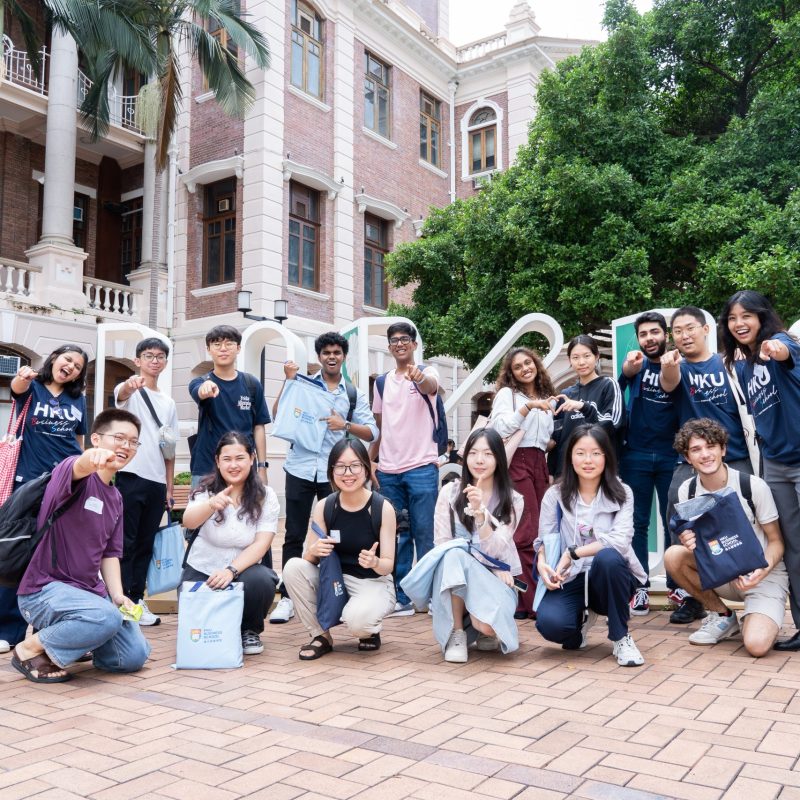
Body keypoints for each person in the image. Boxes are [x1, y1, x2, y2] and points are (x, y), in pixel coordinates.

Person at [11, 409, 151, 683]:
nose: (126, 446)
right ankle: (28, 649)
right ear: (96, 439)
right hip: (43, 590)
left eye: (133, 441)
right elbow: (80, 465)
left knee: (133, 656)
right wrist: (91, 458)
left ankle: (73, 641)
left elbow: (110, 553)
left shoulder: (116, 498)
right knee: (105, 617)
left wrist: (119, 595)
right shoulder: (71, 472)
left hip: (88, 594)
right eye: (119, 438)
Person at [268, 331, 378, 624]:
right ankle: (289, 598)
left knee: (332, 535)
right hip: (300, 468)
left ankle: (335, 593)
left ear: (343, 357)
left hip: (334, 475)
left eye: (336, 353)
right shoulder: (304, 384)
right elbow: (279, 414)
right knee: (293, 534)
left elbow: (372, 432)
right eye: (326, 353)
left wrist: (345, 425)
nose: (331, 357)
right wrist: (288, 380)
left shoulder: (353, 394)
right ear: (319, 357)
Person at [660, 305, 753, 624]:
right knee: (677, 509)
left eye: (689, 328)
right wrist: (669, 365)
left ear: (705, 330)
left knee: (750, 517)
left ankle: (755, 585)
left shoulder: (729, 362)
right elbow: (669, 382)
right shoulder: (677, 366)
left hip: (737, 455)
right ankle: (693, 597)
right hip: (691, 458)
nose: (684, 335)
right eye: (677, 331)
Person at [664, 419, 787, 656]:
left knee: (756, 646)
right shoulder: (687, 490)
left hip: (761, 576)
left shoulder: (752, 486)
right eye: (696, 449)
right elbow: (694, 537)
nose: (705, 454)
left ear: (723, 449)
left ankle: (760, 614)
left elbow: (776, 542)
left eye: (711, 446)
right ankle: (722, 616)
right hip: (721, 571)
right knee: (673, 556)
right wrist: (688, 540)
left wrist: (761, 571)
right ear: (688, 458)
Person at [719, 291, 800, 651]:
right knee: (794, 547)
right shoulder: (745, 365)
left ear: (762, 317)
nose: (739, 324)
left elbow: (784, 354)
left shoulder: (780, 343)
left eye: (746, 316)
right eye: (733, 318)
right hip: (777, 464)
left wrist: (774, 350)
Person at [535, 424, 647, 667]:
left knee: (608, 558)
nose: (588, 460)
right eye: (581, 452)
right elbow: (545, 537)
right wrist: (543, 564)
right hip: (570, 577)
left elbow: (620, 541)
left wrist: (574, 552)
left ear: (607, 456)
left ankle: (620, 637)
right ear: (570, 456)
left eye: (596, 453)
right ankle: (579, 624)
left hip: (609, 577)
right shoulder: (555, 495)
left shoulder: (622, 492)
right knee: (551, 625)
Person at [1, 345, 89, 655]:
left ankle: (45, 630)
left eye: (77, 365)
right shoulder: (33, 388)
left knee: (53, 558)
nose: (71, 367)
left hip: (62, 486)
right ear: (54, 359)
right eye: (67, 360)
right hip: (28, 484)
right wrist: (23, 376)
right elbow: (17, 389)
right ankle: (7, 629)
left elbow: (79, 442)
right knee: (15, 552)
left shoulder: (78, 400)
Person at [282, 438, 396, 659]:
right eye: (340, 467)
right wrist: (315, 550)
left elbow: (388, 565)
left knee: (357, 622)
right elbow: (308, 559)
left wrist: (374, 562)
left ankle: (369, 630)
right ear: (331, 470)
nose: (348, 473)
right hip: (334, 580)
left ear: (366, 468)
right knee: (293, 567)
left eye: (355, 465)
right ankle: (321, 636)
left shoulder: (382, 508)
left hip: (371, 582)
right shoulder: (325, 506)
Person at [428, 427, 523, 662]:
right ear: (465, 456)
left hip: (495, 580)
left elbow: (498, 549)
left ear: (499, 458)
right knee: (453, 557)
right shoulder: (450, 492)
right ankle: (457, 632)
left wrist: (481, 514)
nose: (479, 460)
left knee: (487, 626)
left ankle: (484, 626)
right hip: (457, 576)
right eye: (473, 453)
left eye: (488, 454)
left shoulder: (513, 500)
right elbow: (442, 546)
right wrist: (492, 566)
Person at [181, 432, 280, 656]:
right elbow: (188, 521)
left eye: (240, 458)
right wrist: (210, 505)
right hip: (203, 566)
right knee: (199, 615)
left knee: (262, 580)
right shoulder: (204, 491)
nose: (233, 465)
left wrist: (231, 571)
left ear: (252, 458)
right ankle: (220, 628)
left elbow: (261, 544)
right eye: (226, 459)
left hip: (243, 569)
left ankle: (249, 630)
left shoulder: (266, 496)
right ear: (217, 461)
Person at [370, 322, 440, 616]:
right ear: (390, 347)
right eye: (394, 340)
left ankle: (429, 596)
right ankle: (402, 596)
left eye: (405, 339)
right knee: (397, 536)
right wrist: (373, 460)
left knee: (425, 534)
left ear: (413, 344)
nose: (399, 344)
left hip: (422, 466)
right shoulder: (382, 382)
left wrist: (418, 378)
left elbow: (431, 387)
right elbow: (381, 423)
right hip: (389, 471)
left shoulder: (429, 371)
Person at [617, 312, 680, 616]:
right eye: (643, 334)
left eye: (654, 332)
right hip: (636, 454)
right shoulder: (636, 365)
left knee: (674, 523)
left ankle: (677, 587)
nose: (649, 339)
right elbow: (622, 380)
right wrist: (629, 366)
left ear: (665, 334)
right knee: (638, 523)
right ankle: (639, 587)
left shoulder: (676, 365)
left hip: (671, 454)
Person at [114, 337, 179, 627]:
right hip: (130, 477)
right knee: (124, 543)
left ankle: (138, 601)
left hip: (156, 482)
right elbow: (121, 393)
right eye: (149, 355)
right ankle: (121, 601)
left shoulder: (168, 402)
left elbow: (170, 448)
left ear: (165, 363)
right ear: (138, 360)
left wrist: (169, 487)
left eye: (160, 356)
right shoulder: (129, 390)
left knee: (145, 544)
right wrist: (131, 384)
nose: (155, 360)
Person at [490, 346, 555, 618]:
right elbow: (499, 427)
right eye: (518, 367)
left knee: (542, 529)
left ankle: (530, 597)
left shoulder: (544, 396)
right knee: (525, 532)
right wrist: (527, 408)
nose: (525, 368)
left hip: (540, 462)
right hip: (517, 461)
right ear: (511, 373)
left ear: (536, 365)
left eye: (528, 363)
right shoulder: (509, 395)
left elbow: (545, 438)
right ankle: (526, 602)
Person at [188, 325, 270, 488]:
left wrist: (262, 467)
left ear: (238, 348)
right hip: (207, 468)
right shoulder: (200, 382)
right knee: (203, 513)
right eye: (217, 344)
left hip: (244, 468)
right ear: (209, 349)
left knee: (247, 513)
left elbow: (258, 427)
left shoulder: (251, 384)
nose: (223, 349)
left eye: (229, 344)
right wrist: (206, 389)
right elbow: (198, 392)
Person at [550, 335, 625, 478]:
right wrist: (551, 471)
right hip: (567, 473)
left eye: (586, 356)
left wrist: (584, 407)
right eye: (575, 357)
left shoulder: (609, 385)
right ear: (570, 360)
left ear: (596, 356)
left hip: (600, 470)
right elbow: (558, 437)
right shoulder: (566, 394)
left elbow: (613, 423)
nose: (581, 362)